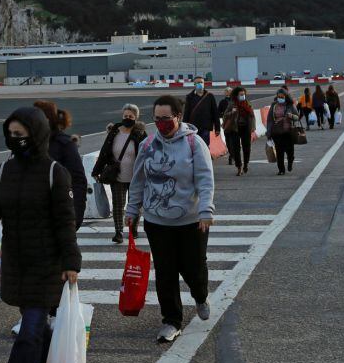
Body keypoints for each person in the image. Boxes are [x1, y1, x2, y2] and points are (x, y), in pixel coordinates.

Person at [0, 107, 82, 363]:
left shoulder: (55, 173)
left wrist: (71, 261)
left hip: (47, 266)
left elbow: (65, 222)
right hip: (16, 264)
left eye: (20, 134)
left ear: (36, 135)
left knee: (28, 333)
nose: (15, 139)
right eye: (11, 134)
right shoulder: (3, 172)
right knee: (37, 330)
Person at [125, 94, 215, 344]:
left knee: (194, 268)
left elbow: (205, 180)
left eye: (166, 119)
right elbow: (139, 180)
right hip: (157, 221)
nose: (161, 124)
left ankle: (200, 295)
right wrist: (132, 210)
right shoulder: (148, 145)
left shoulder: (194, 143)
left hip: (191, 220)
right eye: (157, 119)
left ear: (178, 117)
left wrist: (206, 209)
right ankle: (171, 320)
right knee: (165, 272)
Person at [92, 104, 146, 243]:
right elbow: (104, 152)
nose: (127, 118)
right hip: (117, 175)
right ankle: (119, 232)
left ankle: (133, 228)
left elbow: (147, 153)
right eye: (125, 116)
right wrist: (96, 170)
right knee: (118, 204)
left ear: (136, 117)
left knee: (135, 204)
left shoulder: (139, 133)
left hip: (135, 176)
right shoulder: (115, 132)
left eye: (131, 116)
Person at [33, 100, 87, 228]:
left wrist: (76, 217)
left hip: (57, 215)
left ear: (47, 119)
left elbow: (78, 181)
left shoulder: (65, 145)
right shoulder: (30, 144)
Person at [222, 86, 256, 176]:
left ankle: (246, 164)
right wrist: (232, 112)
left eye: (244, 94)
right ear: (236, 95)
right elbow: (225, 116)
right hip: (234, 128)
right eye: (241, 95)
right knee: (235, 149)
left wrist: (253, 127)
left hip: (246, 128)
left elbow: (252, 116)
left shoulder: (247, 104)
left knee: (246, 148)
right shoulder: (232, 104)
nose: (243, 96)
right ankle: (239, 166)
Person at [265, 87, 299, 174]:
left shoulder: (290, 105)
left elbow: (297, 117)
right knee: (279, 152)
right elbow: (269, 119)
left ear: (286, 96)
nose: (280, 98)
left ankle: (290, 162)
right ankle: (281, 170)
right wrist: (268, 132)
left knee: (290, 151)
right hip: (276, 132)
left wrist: (291, 116)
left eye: (282, 96)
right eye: (278, 96)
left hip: (288, 132)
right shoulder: (274, 105)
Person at [183, 78, 221, 147]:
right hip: (193, 127)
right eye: (197, 82)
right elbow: (186, 113)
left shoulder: (210, 96)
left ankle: (206, 157)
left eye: (201, 82)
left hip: (206, 126)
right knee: (195, 146)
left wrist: (217, 128)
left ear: (204, 83)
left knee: (205, 146)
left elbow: (215, 112)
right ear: (194, 84)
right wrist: (184, 127)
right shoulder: (189, 97)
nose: (200, 84)